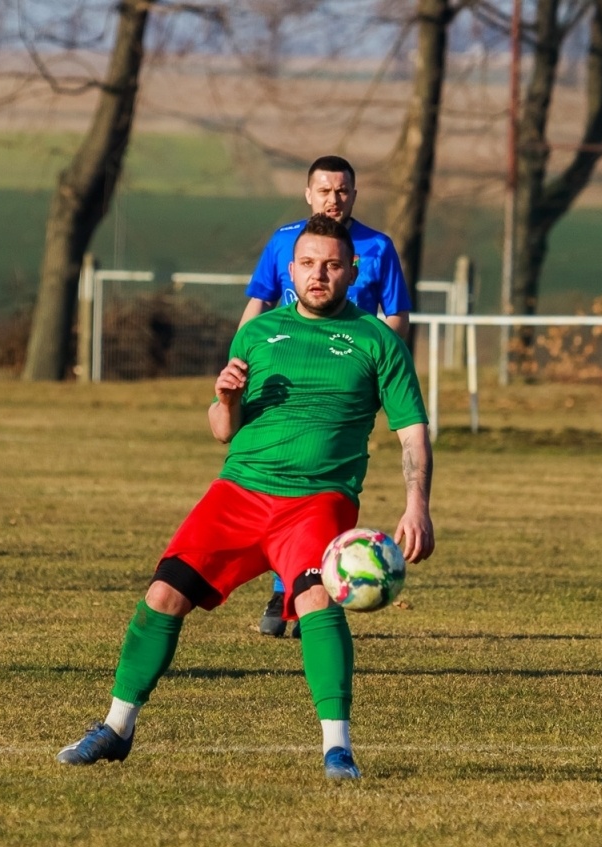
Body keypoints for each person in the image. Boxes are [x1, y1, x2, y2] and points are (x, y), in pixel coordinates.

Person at [57, 214, 434, 781]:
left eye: (332, 265)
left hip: (317, 500)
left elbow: (412, 434)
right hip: (238, 493)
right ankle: (115, 728)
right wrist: (227, 400)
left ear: (353, 271)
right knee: (162, 594)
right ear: (291, 269)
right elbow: (221, 429)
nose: (319, 275)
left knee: (315, 603)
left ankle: (339, 751)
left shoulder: (378, 341)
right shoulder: (258, 334)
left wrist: (417, 504)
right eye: (308, 264)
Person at [241, 155, 413, 637]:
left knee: (326, 483)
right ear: (307, 193)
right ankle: (286, 587)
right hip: (288, 384)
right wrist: (238, 363)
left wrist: (380, 370)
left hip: (346, 390)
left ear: (354, 196)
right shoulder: (285, 242)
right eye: (324, 190)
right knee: (282, 478)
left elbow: (396, 315)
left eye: (342, 191)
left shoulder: (378, 246)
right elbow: (260, 304)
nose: (332, 199)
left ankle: (306, 585)